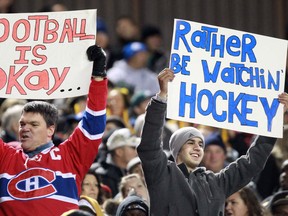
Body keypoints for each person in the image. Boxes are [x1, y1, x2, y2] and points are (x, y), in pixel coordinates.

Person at [137, 68, 288, 215]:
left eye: (201, 144)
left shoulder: (216, 183)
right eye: (190, 142)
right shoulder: (161, 174)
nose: (197, 147)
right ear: (177, 149)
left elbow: (252, 162)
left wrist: (275, 121)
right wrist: (161, 97)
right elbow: (149, 145)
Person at [0, 45, 108, 215]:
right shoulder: (5, 156)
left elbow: (94, 123)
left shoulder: (70, 156)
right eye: (22, 124)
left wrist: (98, 78)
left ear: (51, 130)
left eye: (34, 125)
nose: (25, 129)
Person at [94, 128, 139, 197]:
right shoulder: (103, 177)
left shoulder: (133, 171)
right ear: (119, 152)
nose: (137, 151)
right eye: (133, 148)